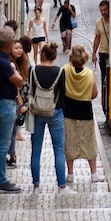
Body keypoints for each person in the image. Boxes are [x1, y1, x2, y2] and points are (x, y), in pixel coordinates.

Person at [29, 42, 74, 194]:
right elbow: (63, 93)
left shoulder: (33, 70)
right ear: (54, 56)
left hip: (37, 112)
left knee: (36, 150)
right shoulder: (60, 72)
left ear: (42, 55)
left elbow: (30, 90)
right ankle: (62, 186)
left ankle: (36, 186)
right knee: (59, 149)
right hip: (55, 112)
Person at [0, 27, 24, 193]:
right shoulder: (2, 61)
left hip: (1, 104)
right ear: (9, 43)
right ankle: (1, 180)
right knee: (3, 144)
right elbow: (19, 81)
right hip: (5, 104)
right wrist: (17, 73)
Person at [63, 44, 104, 183]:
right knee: (89, 142)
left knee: (70, 141)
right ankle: (93, 174)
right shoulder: (89, 74)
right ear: (85, 57)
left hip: (68, 110)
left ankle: (70, 174)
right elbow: (94, 94)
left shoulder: (65, 70)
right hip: (85, 111)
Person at [6, 39, 29, 167]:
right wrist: (21, 104)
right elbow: (15, 89)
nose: (19, 50)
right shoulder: (11, 65)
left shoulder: (20, 64)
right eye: (16, 48)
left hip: (15, 102)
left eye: (21, 48)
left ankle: (12, 155)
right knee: (11, 131)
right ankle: (11, 156)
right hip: (13, 102)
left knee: (14, 130)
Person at [92, 0, 110, 87]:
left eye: (105, 10)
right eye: (101, 10)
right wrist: (93, 54)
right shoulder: (99, 22)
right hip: (103, 53)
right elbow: (97, 38)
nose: (103, 12)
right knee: (104, 78)